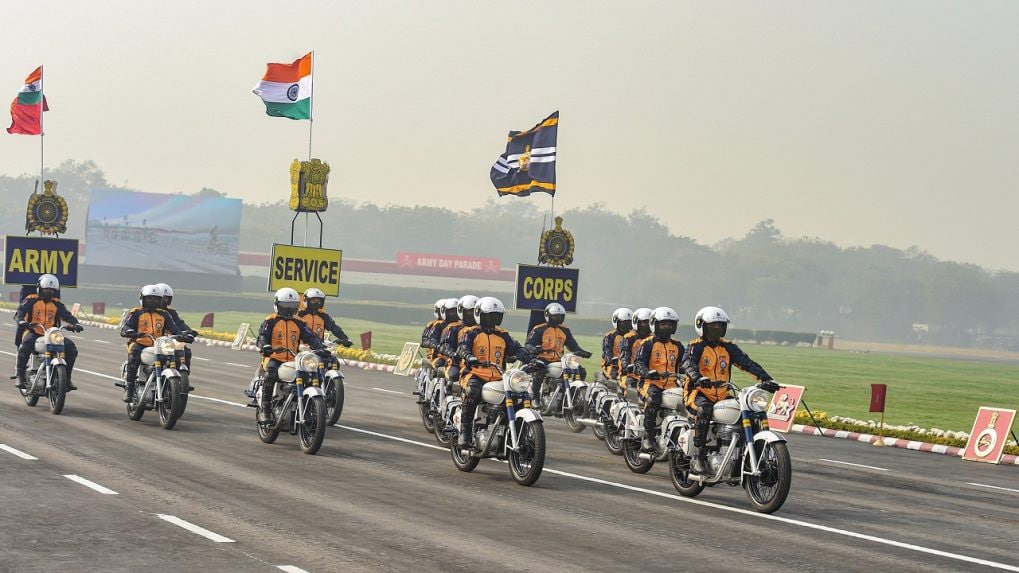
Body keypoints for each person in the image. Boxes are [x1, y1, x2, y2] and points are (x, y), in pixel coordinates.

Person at [681, 306, 779, 473]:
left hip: (722, 394)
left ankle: (748, 454)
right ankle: (698, 455)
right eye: (713, 326)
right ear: (702, 326)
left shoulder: (728, 347)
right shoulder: (694, 346)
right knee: (705, 409)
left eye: (720, 325)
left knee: (745, 410)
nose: (717, 329)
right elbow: (687, 363)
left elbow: (746, 363)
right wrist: (698, 378)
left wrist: (766, 378)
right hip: (697, 393)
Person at [455, 297, 532, 448]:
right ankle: (465, 433)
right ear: (479, 315)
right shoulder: (471, 333)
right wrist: (469, 356)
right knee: (473, 392)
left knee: (519, 396)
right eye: (489, 316)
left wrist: (531, 358)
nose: (493, 319)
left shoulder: (503, 335)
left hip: (498, 376)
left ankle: (519, 434)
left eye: (497, 316)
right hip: (475, 373)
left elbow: (516, 349)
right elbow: (462, 347)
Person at [255, 288, 327, 423]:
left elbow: (310, 336)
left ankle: (312, 408)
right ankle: (265, 410)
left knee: (312, 374)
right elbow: (263, 336)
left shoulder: (299, 322)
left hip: (294, 359)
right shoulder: (270, 321)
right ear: (277, 305)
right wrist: (265, 346)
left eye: (292, 307)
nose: (289, 310)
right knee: (270, 374)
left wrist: (320, 346)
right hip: (274, 357)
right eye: (285, 306)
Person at [13, 274, 83, 390]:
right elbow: (20, 311)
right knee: (25, 345)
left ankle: (67, 379)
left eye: (51, 290)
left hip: (52, 334)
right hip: (33, 331)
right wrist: (21, 320)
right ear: (39, 288)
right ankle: (20, 376)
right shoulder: (31, 299)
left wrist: (75, 323)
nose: (49, 292)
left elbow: (67, 315)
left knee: (71, 348)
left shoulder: (57, 303)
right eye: (46, 289)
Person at [121, 284, 186, 402]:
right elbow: (126, 326)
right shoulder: (136, 312)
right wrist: (129, 331)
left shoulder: (164, 314)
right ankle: (129, 390)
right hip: (139, 342)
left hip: (159, 344)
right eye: (149, 298)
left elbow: (174, 328)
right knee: (134, 354)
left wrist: (182, 335)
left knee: (175, 356)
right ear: (143, 298)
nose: (153, 301)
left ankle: (172, 386)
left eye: (156, 299)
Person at [632, 307, 685, 452]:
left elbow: (685, 364)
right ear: (654, 324)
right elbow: (638, 364)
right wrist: (648, 373)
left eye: (670, 324)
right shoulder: (647, 343)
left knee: (687, 399)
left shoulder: (677, 345)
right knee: (653, 399)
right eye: (663, 324)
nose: (667, 327)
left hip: (672, 384)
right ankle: (648, 437)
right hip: (650, 383)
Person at [526, 303, 592, 401]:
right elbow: (528, 344)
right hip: (543, 359)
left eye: (561, 316)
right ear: (548, 315)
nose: (558, 318)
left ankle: (574, 394)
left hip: (560, 360)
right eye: (555, 316)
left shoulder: (565, 330)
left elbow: (573, 346)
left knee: (581, 371)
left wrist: (583, 352)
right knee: (540, 370)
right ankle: (535, 398)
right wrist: (534, 349)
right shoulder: (539, 329)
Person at [155, 283, 198, 389]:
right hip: (153, 341)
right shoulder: (149, 312)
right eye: (163, 298)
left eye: (167, 298)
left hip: (169, 341)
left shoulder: (171, 312)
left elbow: (179, 324)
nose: (165, 301)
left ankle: (184, 379)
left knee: (185, 352)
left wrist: (189, 331)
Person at [436, 295, 479, 385]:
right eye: (468, 312)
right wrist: (453, 353)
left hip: (478, 366)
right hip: (456, 363)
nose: (471, 314)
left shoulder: (481, 330)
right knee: (454, 375)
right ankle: (447, 396)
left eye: (473, 311)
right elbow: (444, 345)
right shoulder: (453, 328)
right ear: (461, 311)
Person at [617, 307, 652, 400]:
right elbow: (624, 355)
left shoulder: (653, 340)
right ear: (637, 322)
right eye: (644, 322)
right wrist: (627, 365)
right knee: (631, 391)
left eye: (649, 322)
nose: (647, 325)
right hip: (630, 375)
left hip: (649, 377)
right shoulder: (628, 338)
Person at [601, 307, 633, 382]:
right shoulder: (610, 336)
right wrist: (610, 360)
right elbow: (607, 351)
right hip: (612, 366)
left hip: (628, 367)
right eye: (623, 323)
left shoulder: (633, 337)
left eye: (628, 323)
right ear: (616, 322)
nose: (626, 325)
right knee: (614, 378)